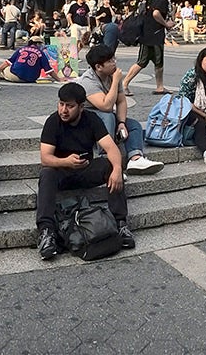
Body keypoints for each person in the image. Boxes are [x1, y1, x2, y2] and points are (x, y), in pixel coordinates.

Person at [36, 83, 134, 260]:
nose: (64, 110)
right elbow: (45, 157)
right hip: (61, 172)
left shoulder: (92, 119)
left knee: (110, 166)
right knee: (46, 173)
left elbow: (111, 148)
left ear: (81, 107)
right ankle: (46, 232)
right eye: (61, 104)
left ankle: (120, 224)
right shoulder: (53, 122)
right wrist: (65, 161)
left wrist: (118, 169)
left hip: (84, 170)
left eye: (70, 106)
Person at [79, 45, 164, 175]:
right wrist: (116, 81)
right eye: (110, 61)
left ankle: (135, 158)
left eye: (114, 59)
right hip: (88, 120)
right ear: (98, 67)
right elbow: (106, 106)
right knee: (107, 116)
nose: (114, 63)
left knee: (134, 125)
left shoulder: (112, 75)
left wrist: (122, 123)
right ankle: (105, 158)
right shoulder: (88, 81)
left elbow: (121, 101)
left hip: (106, 116)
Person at [122, 0, 177, 96]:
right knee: (143, 61)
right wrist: (166, 24)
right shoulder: (161, 0)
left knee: (158, 62)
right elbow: (156, 14)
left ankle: (160, 87)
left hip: (152, 35)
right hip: (152, 35)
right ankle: (124, 84)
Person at [0, 36, 65, 83]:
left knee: (5, 68)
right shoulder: (41, 53)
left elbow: (8, 62)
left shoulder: (21, 49)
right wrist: (59, 79)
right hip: (31, 78)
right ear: (38, 44)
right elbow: (49, 71)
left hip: (16, 75)